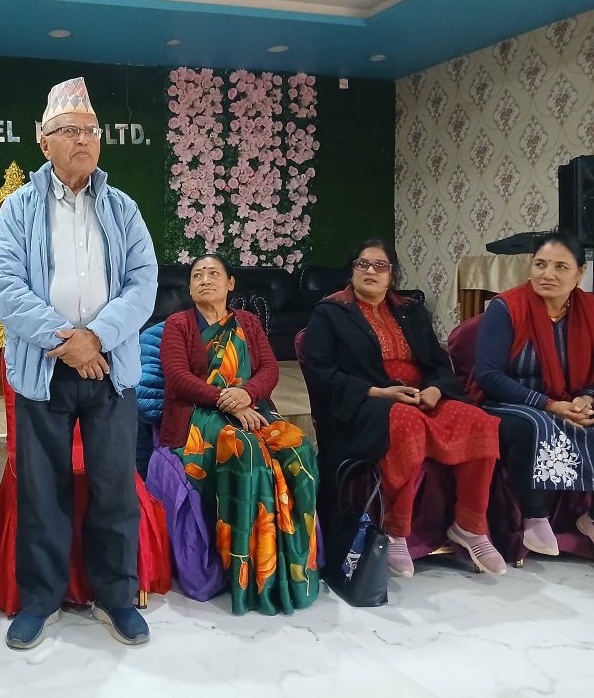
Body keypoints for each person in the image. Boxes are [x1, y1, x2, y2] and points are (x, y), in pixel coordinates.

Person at [0, 77, 158, 649]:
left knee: (114, 487)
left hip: (111, 369)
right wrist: (68, 341)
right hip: (43, 369)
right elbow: (6, 286)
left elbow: (143, 285)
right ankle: (40, 600)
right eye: (69, 131)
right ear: (44, 142)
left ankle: (117, 596)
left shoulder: (123, 208)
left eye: (90, 130)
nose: (83, 139)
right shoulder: (18, 208)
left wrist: (97, 339)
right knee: (42, 490)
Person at [302, 239, 506, 577]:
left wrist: (435, 390)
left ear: (392, 274)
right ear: (352, 270)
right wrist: (380, 392)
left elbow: (439, 362)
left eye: (380, 266)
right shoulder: (331, 312)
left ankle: (470, 526)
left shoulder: (410, 310)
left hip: (419, 397)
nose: (370, 271)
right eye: (362, 264)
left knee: (479, 420)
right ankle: (396, 530)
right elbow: (321, 373)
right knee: (406, 421)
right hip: (363, 406)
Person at [152, 254, 319, 614]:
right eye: (197, 275)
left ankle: (293, 569)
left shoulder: (248, 322)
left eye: (214, 273)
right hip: (198, 415)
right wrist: (226, 401)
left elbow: (269, 368)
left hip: (252, 407)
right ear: (190, 287)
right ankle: (244, 571)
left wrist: (247, 394)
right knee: (243, 449)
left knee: (299, 449)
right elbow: (178, 378)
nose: (205, 280)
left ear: (230, 284)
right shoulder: (178, 325)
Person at [474, 230, 594, 555]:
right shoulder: (506, 308)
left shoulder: (590, 310)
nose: (547, 274)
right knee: (535, 425)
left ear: (580, 273)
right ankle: (535, 516)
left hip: (567, 400)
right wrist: (550, 404)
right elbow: (488, 376)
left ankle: (590, 518)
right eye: (540, 264)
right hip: (505, 402)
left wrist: (586, 398)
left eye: (560, 267)